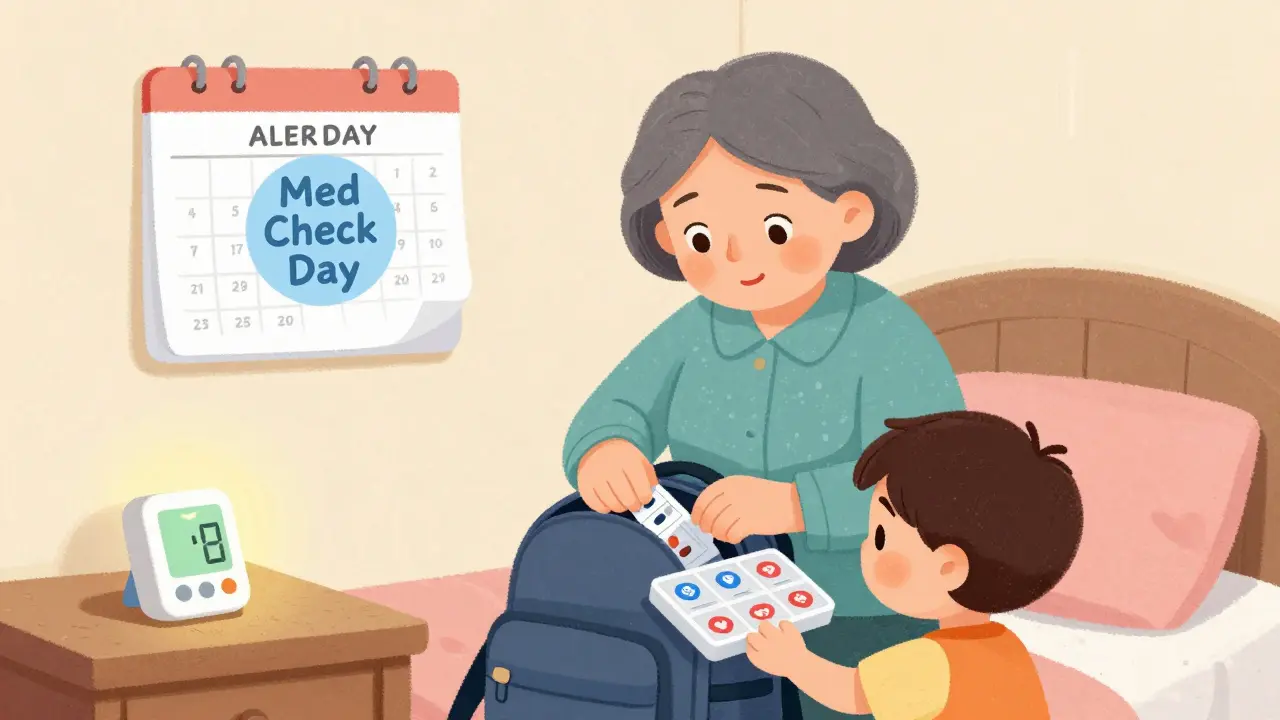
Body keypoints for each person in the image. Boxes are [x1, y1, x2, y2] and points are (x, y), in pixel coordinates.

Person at [561, 52, 965, 717]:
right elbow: (616, 406)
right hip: (713, 606)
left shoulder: (887, 334)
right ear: (667, 235)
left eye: (775, 228)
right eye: (699, 234)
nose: (736, 257)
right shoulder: (693, 331)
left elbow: (934, 485)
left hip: (862, 621)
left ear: (850, 213)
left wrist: (798, 505)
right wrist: (608, 448)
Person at [744, 411, 1085, 719]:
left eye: (881, 537)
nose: (865, 546)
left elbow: (851, 693)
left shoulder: (932, 661)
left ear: (948, 568)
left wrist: (793, 661)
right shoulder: (1006, 648)